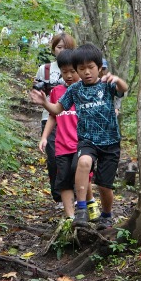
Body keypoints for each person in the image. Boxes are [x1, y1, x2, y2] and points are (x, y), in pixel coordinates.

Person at [31, 44, 128, 230]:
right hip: (86, 140)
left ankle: (106, 215)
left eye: (91, 67)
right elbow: (57, 110)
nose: (87, 72)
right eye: (81, 69)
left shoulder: (106, 85)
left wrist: (117, 80)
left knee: (104, 186)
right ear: (77, 70)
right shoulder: (75, 89)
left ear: (99, 67)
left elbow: (123, 89)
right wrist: (44, 102)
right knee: (83, 163)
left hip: (110, 142)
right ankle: (81, 209)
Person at [38, 50, 82, 219]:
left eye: (72, 71)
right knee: (63, 179)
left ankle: (85, 208)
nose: (68, 75)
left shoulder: (86, 90)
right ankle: (70, 217)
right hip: (62, 144)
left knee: (80, 174)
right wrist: (44, 137)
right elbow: (53, 116)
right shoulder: (57, 91)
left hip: (81, 143)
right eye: (64, 72)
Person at [34, 33, 77, 204]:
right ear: (53, 49)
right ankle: (59, 196)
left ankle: (75, 196)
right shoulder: (44, 69)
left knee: (74, 159)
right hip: (50, 117)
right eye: (59, 47)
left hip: (73, 120)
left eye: (66, 48)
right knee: (54, 159)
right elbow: (36, 89)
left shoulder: (78, 67)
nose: (62, 50)